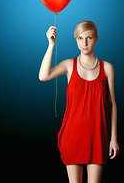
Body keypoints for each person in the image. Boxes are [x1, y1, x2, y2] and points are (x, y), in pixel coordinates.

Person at [39, 20, 119, 183]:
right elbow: (43, 76)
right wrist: (51, 44)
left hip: (98, 136)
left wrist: (114, 138)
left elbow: (112, 105)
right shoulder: (69, 65)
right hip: (73, 136)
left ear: (96, 38)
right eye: (80, 38)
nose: (85, 43)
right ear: (76, 40)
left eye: (89, 38)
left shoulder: (107, 68)